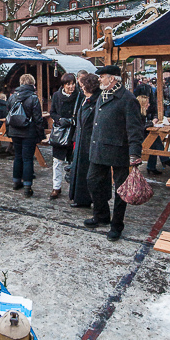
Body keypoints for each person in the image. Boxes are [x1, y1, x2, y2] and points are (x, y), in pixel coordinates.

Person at [86, 65, 144, 241]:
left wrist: (134, 153)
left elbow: (135, 129)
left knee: (121, 190)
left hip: (119, 151)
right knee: (93, 181)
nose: (99, 79)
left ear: (112, 79)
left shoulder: (128, 99)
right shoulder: (102, 96)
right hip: (99, 149)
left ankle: (117, 225)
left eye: (102, 76)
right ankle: (101, 215)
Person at [6, 73, 45, 198]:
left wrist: (8, 131)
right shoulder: (33, 98)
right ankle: (27, 187)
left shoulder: (12, 97)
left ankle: (16, 181)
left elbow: (8, 115)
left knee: (18, 156)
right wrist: (40, 134)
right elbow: (38, 119)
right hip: (29, 132)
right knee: (28, 159)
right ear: (32, 84)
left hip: (14, 131)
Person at [69, 73, 100, 209]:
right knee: (79, 170)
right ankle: (80, 198)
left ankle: (86, 199)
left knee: (87, 173)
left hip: (89, 143)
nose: (81, 88)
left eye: (83, 86)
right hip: (81, 140)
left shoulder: (95, 102)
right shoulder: (85, 100)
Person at [49, 73, 79, 199]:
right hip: (60, 133)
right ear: (63, 85)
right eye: (68, 84)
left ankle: (74, 188)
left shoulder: (79, 95)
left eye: (73, 84)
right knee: (57, 161)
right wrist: (59, 119)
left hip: (74, 132)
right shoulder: (56, 95)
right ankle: (56, 187)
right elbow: (52, 112)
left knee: (74, 162)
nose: (71, 87)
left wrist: (73, 120)